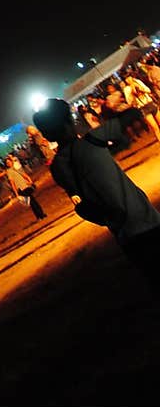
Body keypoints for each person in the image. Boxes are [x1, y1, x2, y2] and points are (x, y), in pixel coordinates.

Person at [33, 98, 160, 286]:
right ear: (70, 122)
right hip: (147, 220)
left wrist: (108, 217)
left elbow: (81, 206)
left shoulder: (58, 168)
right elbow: (132, 114)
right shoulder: (92, 141)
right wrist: (111, 108)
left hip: (124, 234)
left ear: (47, 135)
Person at [4, 153, 47, 220]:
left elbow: (24, 175)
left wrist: (30, 181)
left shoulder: (15, 168)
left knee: (33, 201)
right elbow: (12, 183)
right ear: (6, 165)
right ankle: (40, 215)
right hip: (21, 189)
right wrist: (16, 193)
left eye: (9, 162)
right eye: (7, 163)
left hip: (25, 186)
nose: (9, 163)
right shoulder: (9, 171)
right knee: (32, 202)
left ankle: (40, 215)